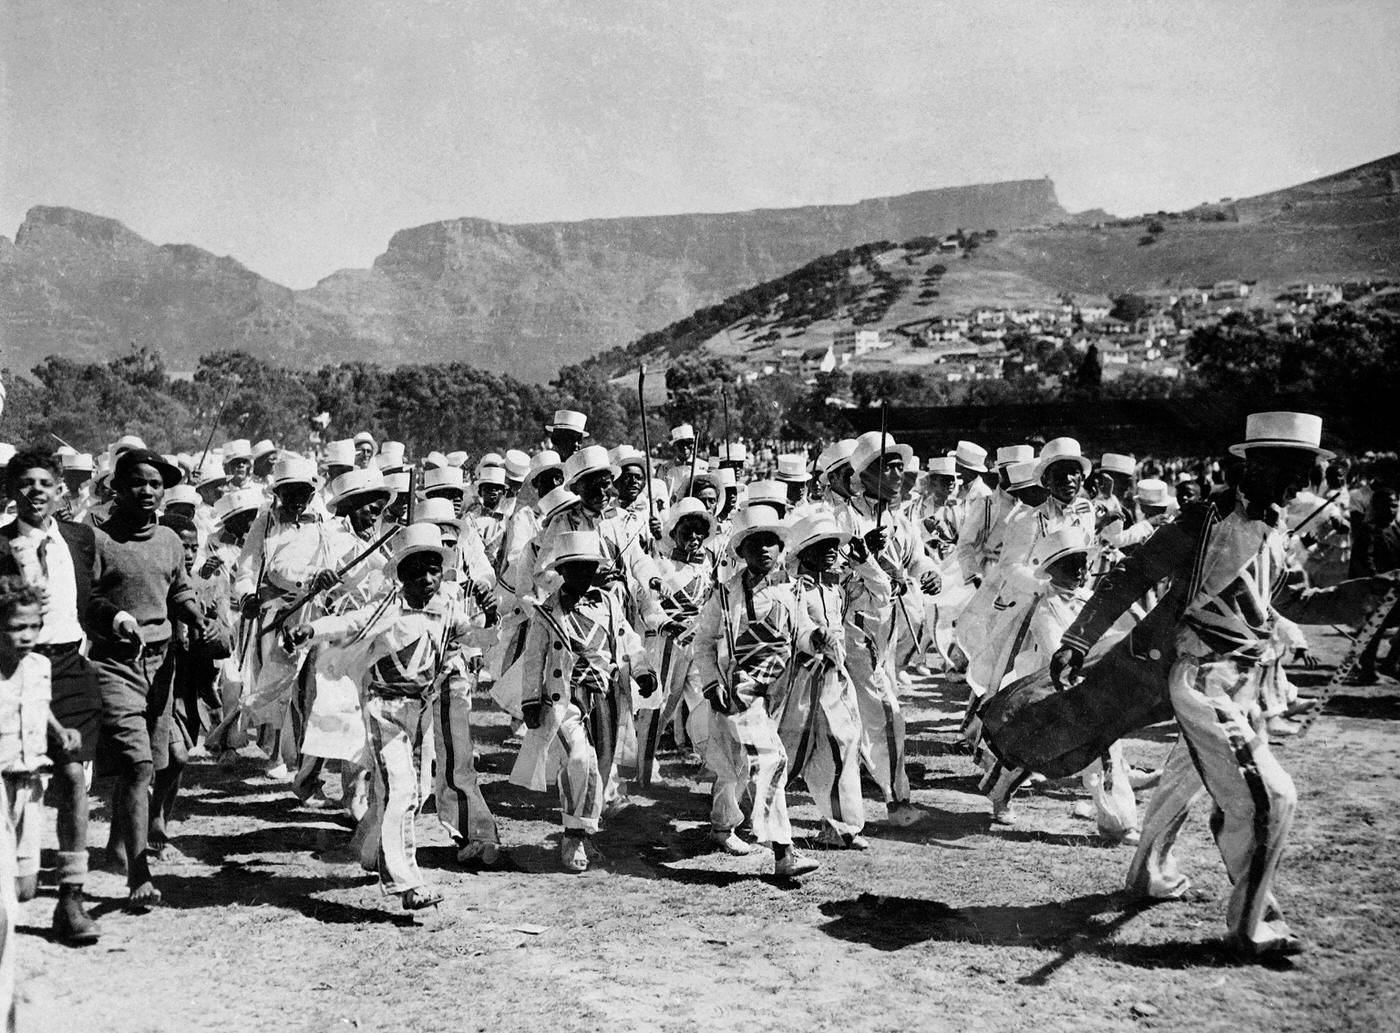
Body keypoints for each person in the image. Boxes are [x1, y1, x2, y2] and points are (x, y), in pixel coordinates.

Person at [1051, 412, 1396, 959]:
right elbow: (1134, 574)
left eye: (1305, 473)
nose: (1298, 485)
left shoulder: (1275, 529)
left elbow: (1292, 602)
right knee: (1270, 799)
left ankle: (1148, 875)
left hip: (1246, 683)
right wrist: (1076, 639)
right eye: (1289, 471)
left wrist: (1373, 590)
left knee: (1180, 784)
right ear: (1254, 465)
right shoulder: (1204, 519)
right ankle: (1255, 927)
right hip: (1201, 679)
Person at [288, 524, 488, 909]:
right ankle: (406, 882)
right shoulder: (388, 611)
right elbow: (350, 623)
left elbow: (475, 637)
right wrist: (311, 629)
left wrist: (490, 617)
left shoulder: (446, 610)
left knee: (414, 791)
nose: (426, 579)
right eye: (417, 571)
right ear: (401, 575)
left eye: (433, 570)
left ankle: (370, 850)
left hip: (421, 713)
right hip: (386, 711)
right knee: (400, 789)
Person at [90, 448, 209, 908]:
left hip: (162, 665)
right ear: (117, 489)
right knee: (138, 764)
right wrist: (117, 620)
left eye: (155, 484)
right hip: (115, 663)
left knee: (152, 763)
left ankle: (119, 844)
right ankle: (139, 873)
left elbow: (178, 589)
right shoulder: (98, 540)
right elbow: (88, 600)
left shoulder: (170, 540)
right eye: (137, 482)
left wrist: (194, 614)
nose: (147, 491)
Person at [0, 449, 104, 942]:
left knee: (73, 774)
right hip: (14, 669)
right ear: (12, 491)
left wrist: (116, 619)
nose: (36, 491)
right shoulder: (1, 545)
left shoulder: (79, 538)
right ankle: (14, 878)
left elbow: (92, 597)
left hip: (68, 666)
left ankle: (71, 900)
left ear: (61, 489)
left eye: (46, 483)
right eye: (26, 483)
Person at [509, 531, 655, 872]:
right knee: (578, 758)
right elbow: (533, 659)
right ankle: (572, 835)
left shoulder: (608, 603)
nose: (583, 574)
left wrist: (642, 669)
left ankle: (586, 832)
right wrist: (530, 700)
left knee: (601, 765)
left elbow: (628, 640)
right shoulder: (547, 612)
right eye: (575, 568)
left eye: (590, 567)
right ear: (562, 570)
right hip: (566, 698)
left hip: (605, 695)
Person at [693, 507, 818, 877]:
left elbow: (804, 633)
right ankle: (784, 852)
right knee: (769, 760)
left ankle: (722, 827)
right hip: (737, 690)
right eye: (754, 543)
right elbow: (704, 642)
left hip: (778, 688)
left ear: (780, 549)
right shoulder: (724, 594)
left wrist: (818, 638)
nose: (763, 549)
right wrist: (711, 683)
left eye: (770, 542)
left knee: (732, 765)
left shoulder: (792, 591)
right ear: (741, 551)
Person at [0, 577, 84, 1014]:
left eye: (34, 626)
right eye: (17, 627)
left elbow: (38, 704)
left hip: (30, 782)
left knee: (26, 889)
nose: (28, 636)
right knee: (3, 903)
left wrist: (59, 730)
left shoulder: (38, 666)